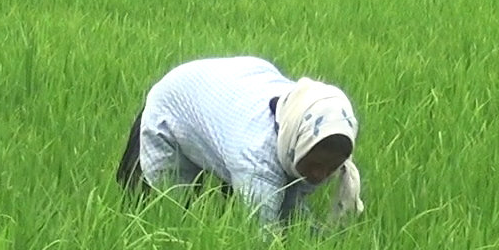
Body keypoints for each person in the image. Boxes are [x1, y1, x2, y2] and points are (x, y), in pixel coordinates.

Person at [116, 56, 363, 226]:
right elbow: (263, 241)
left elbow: (291, 211)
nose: (321, 175)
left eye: (331, 168)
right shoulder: (255, 156)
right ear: (296, 143)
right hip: (176, 102)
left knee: (274, 202)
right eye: (316, 164)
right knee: (169, 212)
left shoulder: (309, 114)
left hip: (234, 92)